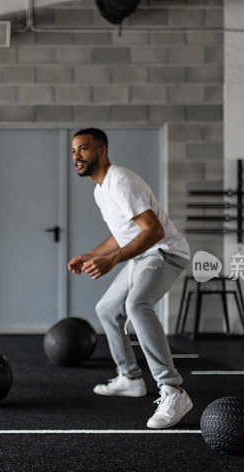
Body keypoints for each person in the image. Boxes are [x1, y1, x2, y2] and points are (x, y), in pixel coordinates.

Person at [67, 128, 193, 429]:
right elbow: (122, 234)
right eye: (73, 151)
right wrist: (91, 254)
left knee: (138, 306)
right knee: (108, 310)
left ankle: (173, 390)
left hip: (164, 253)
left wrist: (111, 260)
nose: (77, 157)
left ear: (103, 151)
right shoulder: (101, 190)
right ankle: (131, 378)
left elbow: (154, 231)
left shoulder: (121, 181)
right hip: (142, 255)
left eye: (84, 149)